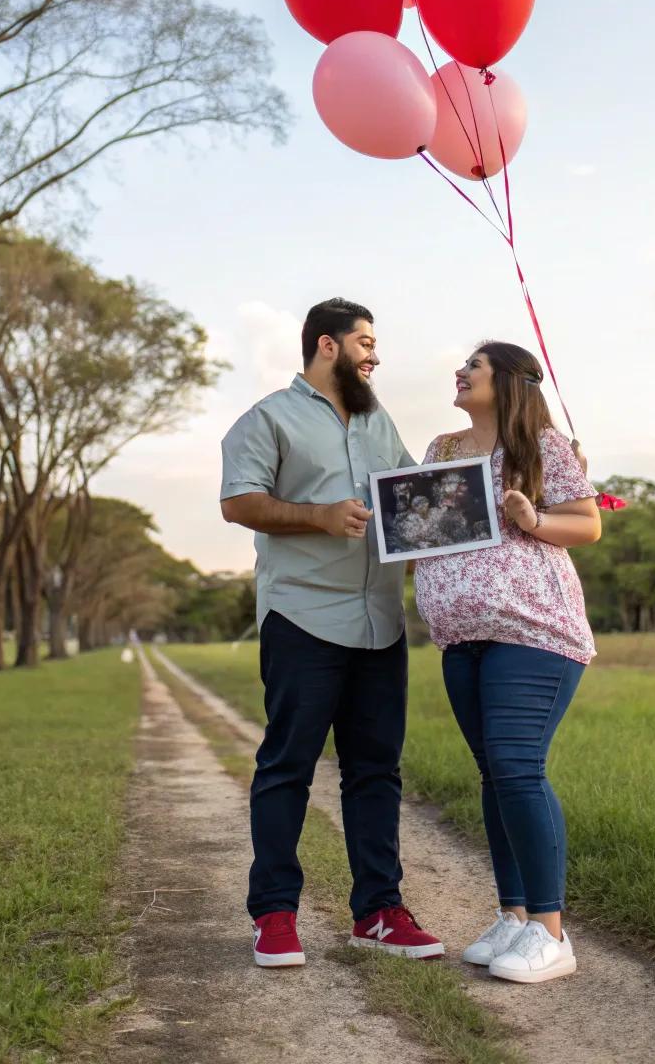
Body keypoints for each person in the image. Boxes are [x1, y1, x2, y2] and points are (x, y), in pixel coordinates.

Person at [220, 298, 443, 969]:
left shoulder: (379, 419)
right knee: (288, 764)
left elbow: (416, 497)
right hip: (302, 616)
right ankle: (275, 916)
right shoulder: (267, 418)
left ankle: (378, 910)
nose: (374, 356)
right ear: (327, 345)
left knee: (376, 770)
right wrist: (318, 517)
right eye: (365, 342)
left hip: (379, 617)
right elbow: (239, 502)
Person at [416, 341, 601, 985]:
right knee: (494, 774)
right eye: (461, 366)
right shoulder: (441, 449)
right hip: (460, 635)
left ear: (511, 381)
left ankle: (552, 934)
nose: (460, 372)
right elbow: (423, 523)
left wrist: (534, 516)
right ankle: (516, 915)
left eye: (475, 365)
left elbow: (587, 525)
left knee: (518, 767)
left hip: (533, 630)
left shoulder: (543, 446)